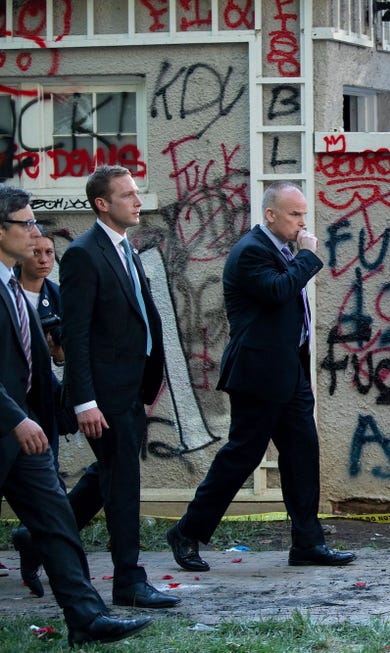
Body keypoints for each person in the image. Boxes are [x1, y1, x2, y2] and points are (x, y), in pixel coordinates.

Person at [166, 181, 355, 572]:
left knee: (302, 455)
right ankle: (187, 531)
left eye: (304, 214)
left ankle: (307, 542)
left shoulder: (281, 249)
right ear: (271, 215)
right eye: (295, 214)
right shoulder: (251, 251)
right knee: (242, 456)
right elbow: (277, 291)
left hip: (290, 374)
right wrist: (307, 258)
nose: (303, 222)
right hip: (258, 375)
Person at [0, 184, 151, 645]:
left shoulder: (15, 284)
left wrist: (45, 415)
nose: (34, 231)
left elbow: (32, 363)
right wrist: (15, 418)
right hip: (10, 424)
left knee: (56, 522)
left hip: (27, 431)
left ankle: (85, 618)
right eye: (25, 223)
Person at [60, 165, 178, 609]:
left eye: (136, 192)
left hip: (131, 389)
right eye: (127, 194)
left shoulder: (126, 248)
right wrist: (85, 400)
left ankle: (36, 537)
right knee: (123, 483)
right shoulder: (84, 254)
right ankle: (128, 581)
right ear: (102, 204)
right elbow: (77, 334)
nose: (137, 200)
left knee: (107, 476)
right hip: (104, 396)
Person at [12, 231, 104, 598]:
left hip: (43, 403)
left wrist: (60, 353)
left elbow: (68, 355)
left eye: (50, 252)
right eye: (36, 251)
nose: (44, 257)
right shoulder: (10, 291)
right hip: (10, 405)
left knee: (58, 484)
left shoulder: (56, 296)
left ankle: (40, 548)